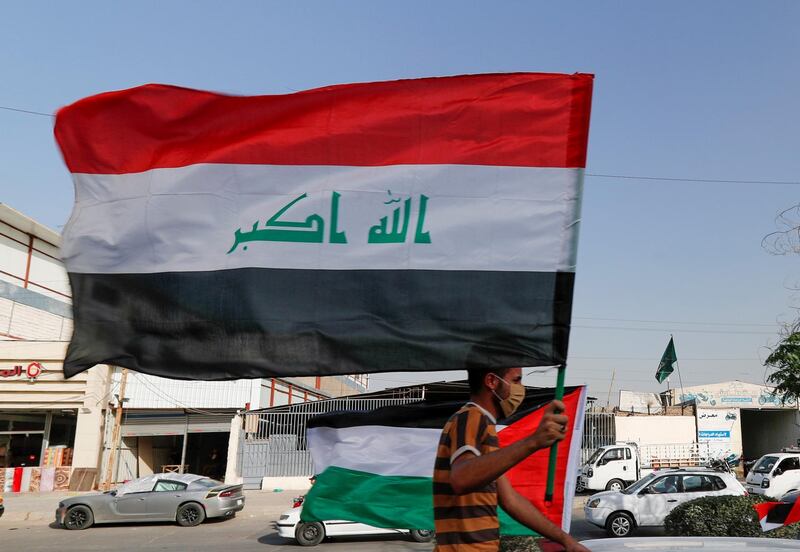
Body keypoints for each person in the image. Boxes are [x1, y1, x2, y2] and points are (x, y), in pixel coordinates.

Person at [433, 345, 589, 552]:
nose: (520, 389)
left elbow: (510, 500)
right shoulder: (471, 417)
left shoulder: (484, 427)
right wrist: (533, 441)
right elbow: (461, 478)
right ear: (491, 381)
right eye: (516, 380)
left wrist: (565, 539)